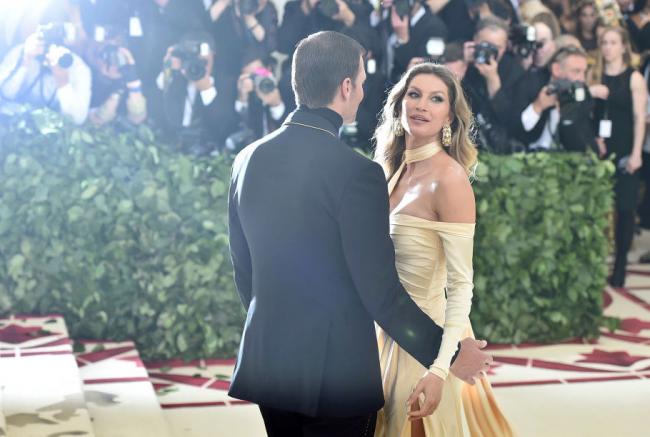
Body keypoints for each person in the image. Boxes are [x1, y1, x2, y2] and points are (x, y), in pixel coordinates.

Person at [227, 31, 491, 437]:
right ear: (346, 86)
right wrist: (451, 353)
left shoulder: (247, 159)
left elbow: (243, 270)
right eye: (363, 82)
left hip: (269, 362)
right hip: (338, 374)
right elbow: (380, 291)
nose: (364, 92)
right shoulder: (358, 173)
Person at [373, 62, 514, 437]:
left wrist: (439, 368)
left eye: (436, 99)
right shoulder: (390, 167)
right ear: (400, 102)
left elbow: (462, 285)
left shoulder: (449, 179)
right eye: (414, 94)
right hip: (385, 332)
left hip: (428, 342)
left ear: (449, 116)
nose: (421, 105)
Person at [593, 26, 648, 287]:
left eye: (613, 42)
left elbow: (640, 119)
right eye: (604, 42)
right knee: (599, 204)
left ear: (624, 46)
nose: (608, 47)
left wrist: (637, 152)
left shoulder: (634, 78)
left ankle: (621, 265)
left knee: (625, 208)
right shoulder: (596, 74)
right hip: (600, 149)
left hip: (626, 147)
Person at [0, 23, 91, 125]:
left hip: (52, 130)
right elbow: (5, 94)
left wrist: (63, 83)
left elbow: (77, 119)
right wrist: (24, 63)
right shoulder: (22, 52)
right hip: (12, 120)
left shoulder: (78, 68)